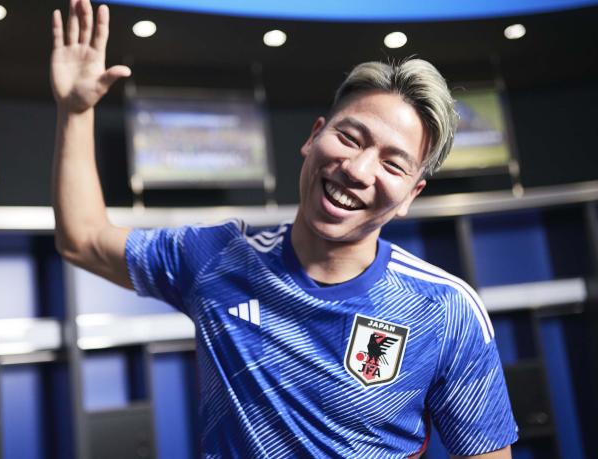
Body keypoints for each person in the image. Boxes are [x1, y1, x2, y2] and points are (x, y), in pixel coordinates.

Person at [50, 0, 518, 457]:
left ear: (410, 196)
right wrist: (76, 111)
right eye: (349, 138)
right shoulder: (218, 258)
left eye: (392, 164)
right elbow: (83, 240)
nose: (357, 169)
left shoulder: (446, 310)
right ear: (313, 137)